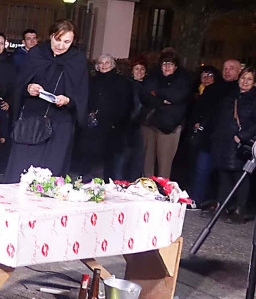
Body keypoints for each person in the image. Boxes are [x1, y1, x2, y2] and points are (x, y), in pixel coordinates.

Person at [5, 19, 89, 182]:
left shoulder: (77, 59)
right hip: (32, 121)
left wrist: (68, 100)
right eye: (58, 39)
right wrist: (29, 88)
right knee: (21, 172)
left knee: (51, 176)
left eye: (67, 42)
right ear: (51, 36)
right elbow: (20, 84)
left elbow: (82, 94)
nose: (61, 46)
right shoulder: (37, 53)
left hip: (60, 125)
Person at [207, 67, 256, 221]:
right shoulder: (230, 96)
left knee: (241, 176)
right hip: (224, 142)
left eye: (249, 79)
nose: (245, 81)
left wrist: (242, 136)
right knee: (224, 175)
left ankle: (239, 210)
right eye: (243, 78)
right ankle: (222, 206)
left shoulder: (254, 100)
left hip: (240, 144)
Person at [191, 58, 242, 205]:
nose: (227, 71)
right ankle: (197, 200)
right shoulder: (212, 89)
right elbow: (198, 109)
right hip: (208, 137)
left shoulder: (241, 91)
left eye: (231, 68)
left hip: (229, 139)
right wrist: (196, 122)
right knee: (202, 170)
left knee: (225, 175)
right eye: (225, 68)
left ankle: (223, 204)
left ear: (239, 71)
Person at [74, 54, 132, 179]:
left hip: (111, 125)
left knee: (109, 158)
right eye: (101, 63)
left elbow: (125, 104)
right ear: (97, 66)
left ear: (112, 65)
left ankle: (107, 182)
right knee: (87, 153)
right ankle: (84, 180)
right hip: (91, 124)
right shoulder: (92, 81)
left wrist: (116, 122)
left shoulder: (121, 81)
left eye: (107, 62)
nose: (104, 65)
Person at [139, 48, 192, 179]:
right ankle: (146, 187)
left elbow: (176, 96)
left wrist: (156, 93)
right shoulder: (153, 76)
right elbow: (145, 95)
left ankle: (162, 189)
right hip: (150, 122)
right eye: (164, 63)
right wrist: (162, 100)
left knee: (164, 165)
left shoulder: (183, 79)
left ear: (176, 66)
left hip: (169, 126)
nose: (167, 67)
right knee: (146, 163)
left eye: (170, 64)